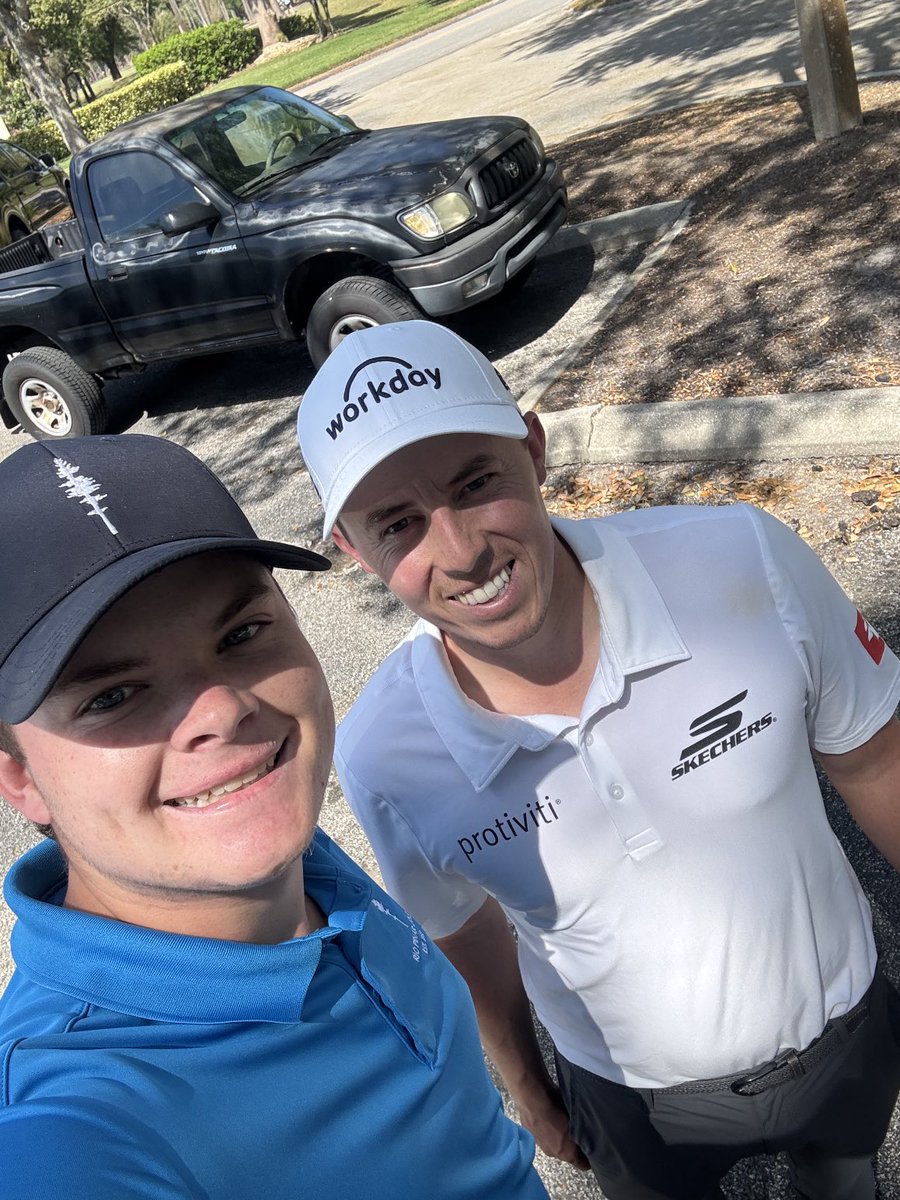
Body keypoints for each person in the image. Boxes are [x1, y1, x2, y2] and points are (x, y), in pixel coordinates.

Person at [296, 320, 900, 1200]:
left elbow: (877, 757)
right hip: (624, 1099)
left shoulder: (743, 560)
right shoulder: (384, 753)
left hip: (844, 1025)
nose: (462, 552)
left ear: (533, 448)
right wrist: (524, 1080)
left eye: (476, 482)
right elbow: (462, 926)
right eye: (397, 524)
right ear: (352, 550)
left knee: (845, 1185)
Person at [0, 433, 549, 1200]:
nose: (222, 710)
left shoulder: (291, 853)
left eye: (241, 635)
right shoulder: (77, 1130)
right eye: (112, 696)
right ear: (19, 777)